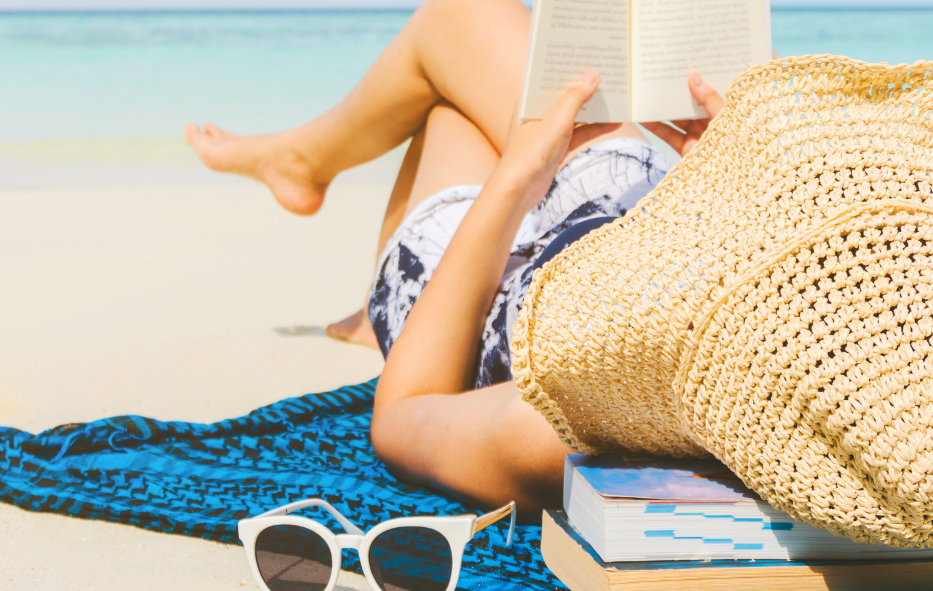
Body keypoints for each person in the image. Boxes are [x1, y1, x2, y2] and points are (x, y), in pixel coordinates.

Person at [185, 0, 720, 514]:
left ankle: (304, 171)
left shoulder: (569, 424)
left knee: (451, 100)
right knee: (463, 30)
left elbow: (400, 416)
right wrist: (720, 184)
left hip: (481, 299)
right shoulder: (753, 333)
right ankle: (300, 162)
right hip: (634, 211)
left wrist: (513, 184)